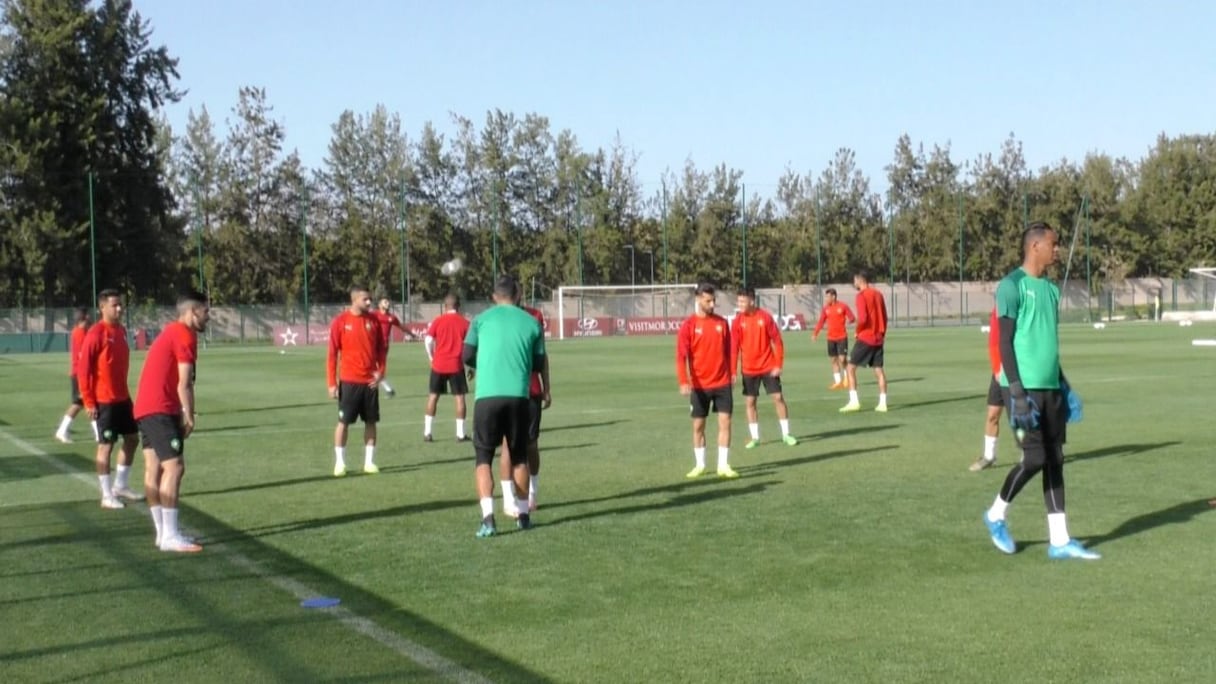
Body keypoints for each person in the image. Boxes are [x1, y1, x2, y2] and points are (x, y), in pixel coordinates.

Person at [982, 222, 1099, 560]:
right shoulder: (1011, 286)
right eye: (1053, 243)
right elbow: (1005, 343)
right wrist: (1016, 393)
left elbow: (1048, 344)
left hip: (1050, 387)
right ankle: (995, 515)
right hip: (1020, 389)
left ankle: (1059, 540)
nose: (1057, 249)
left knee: (1055, 459)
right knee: (1035, 458)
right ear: (1035, 246)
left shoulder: (1050, 290)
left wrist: (1064, 384)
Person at [462, 276, 546, 537]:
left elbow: (466, 355)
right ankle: (523, 516)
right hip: (519, 397)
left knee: (483, 458)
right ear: (518, 295)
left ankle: (488, 519)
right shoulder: (532, 322)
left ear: (494, 296)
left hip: (487, 397)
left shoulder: (480, 320)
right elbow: (538, 363)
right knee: (519, 458)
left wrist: (485, 363)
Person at [135, 291, 209, 553]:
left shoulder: (171, 332)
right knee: (175, 467)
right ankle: (170, 535)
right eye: (205, 311)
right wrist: (189, 415)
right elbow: (184, 383)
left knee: (154, 468)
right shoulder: (184, 335)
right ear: (192, 312)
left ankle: (162, 533)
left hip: (145, 407)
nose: (208, 317)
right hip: (160, 408)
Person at [77, 289, 141, 508]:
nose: (119, 309)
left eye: (120, 304)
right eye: (115, 305)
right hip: (104, 401)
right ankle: (106, 495)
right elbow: (83, 370)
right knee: (106, 446)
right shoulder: (96, 333)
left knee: (132, 439)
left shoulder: (121, 330)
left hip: (123, 398)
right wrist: (89, 401)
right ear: (102, 307)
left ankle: (120, 485)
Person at [676, 282, 738, 479]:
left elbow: (730, 351)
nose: (712, 304)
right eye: (708, 301)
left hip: (722, 383)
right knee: (698, 426)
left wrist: (733, 372)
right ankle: (700, 464)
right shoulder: (689, 326)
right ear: (698, 299)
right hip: (700, 386)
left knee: (725, 423)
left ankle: (723, 465)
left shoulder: (722, 323)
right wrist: (683, 381)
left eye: (713, 301)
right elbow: (681, 356)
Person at [500, 290, 551, 517]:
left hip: (530, 390)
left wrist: (547, 387)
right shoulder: (496, 318)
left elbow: (542, 355)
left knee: (530, 444)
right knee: (507, 446)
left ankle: (532, 492)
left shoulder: (534, 316)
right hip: (506, 389)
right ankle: (508, 499)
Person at [326, 287, 385, 477]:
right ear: (354, 300)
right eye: (365, 299)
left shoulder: (374, 320)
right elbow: (332, 354)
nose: (369, 302)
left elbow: (381, 350)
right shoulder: (341, 321)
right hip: (349, 382)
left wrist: (381, 372)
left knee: (371, 422)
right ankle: (340, 463)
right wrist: (332, 383)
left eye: (370, 299)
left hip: (370, 383)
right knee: (343, 422)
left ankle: (369, 462)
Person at [731, 287, 797, 448]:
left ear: (752, 301)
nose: (740, 304)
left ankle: (786, 434)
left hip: (768, 366)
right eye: (738, 301)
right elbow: (733, 348)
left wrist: (778, 364)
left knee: (778, 398)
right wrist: (733, 371)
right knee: (750, 402)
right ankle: (755, 438)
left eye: (743, 301)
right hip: (749, 369)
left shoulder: (765, 317)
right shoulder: (737, 321)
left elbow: (777, 341)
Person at [423, 294, 471, 442]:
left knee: (433, 396)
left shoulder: (438, 320)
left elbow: (428, 340)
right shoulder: (465, 323)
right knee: (459, 398)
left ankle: (427, 432)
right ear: (459, 306)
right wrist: (471, 366)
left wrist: (431, 357)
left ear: (445, 307)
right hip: (456, 365)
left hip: (438, 365)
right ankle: (460, 434)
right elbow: (471, 346)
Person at [840, 270, 889, 413]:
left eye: (854, 280)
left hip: (866, 337)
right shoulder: (878, 294)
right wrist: (882, 334)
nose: (853, 283)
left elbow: (862, 318)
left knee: (850, 368)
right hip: (878, 338)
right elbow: (884, 317)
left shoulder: (861, 296)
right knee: (879, 370)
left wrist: (858, 331)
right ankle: (883, 403)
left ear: (860, 280)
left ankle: (854, 401)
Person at [970, 308, 1006, 472]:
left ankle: (1028, 454)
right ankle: (989, 456)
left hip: (1020, 368)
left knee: (1021, 417)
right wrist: (997, 368)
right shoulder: (998, 309)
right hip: (1000, 370)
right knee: (993, 414)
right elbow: (993, 342)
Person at [54, 306, 91, 443]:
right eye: (88, 315)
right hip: (79, 373)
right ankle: (62, 430)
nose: (90, 317)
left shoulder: (82, 331)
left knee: (85, 403)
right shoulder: (80, 333)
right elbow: (83, 355)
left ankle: (98, 432)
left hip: (81, 372)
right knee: (79, 403)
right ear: (84, 317)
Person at [370, 296, 416, 397]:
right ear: (380, 305)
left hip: (383, 346)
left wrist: (411, 334)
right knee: (371, 368)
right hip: (372, 345)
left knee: (380, 369)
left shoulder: (391, 317)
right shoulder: (373, 315)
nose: (388, 303)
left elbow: (401, 326)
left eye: (388, 302)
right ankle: (387, 389)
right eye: (385, 302)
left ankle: (387, 390)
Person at [811, 288, 855, 390]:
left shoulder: (843, 306)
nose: (826, 299)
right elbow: (821, 322)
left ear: (833, 296)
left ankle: (847, 378)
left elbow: (852, 317)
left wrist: (850, 321)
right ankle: (838, 382)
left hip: (842, 337)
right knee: (833, 360)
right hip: (830, 338)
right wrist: (815, 333)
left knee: (842, 359)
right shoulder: (826, 309)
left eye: (828, 297)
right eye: (826, 296)